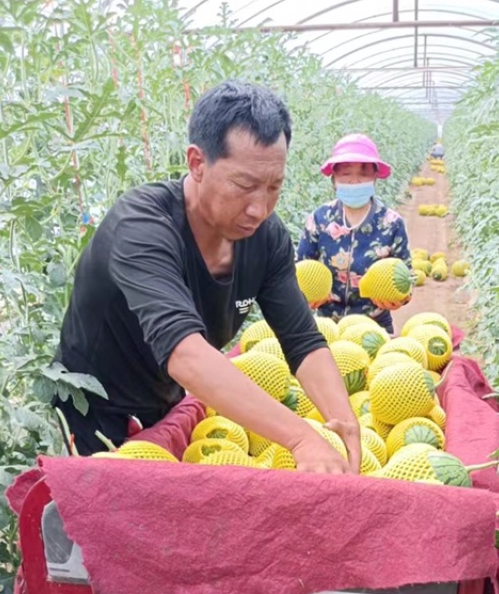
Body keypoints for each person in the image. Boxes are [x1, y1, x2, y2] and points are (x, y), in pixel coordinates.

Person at [53, 81, 359, 474]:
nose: (259, 208)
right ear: (197, 163)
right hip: (96, 411)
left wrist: (342, 420)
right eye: (244, 185)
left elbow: (301, 339)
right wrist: (300, 437)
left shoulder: (265, 239)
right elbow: (185, 354)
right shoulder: (141, 226)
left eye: (273, 187)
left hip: (168, 404)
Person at [296, 134, 411, 334]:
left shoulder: (391, 223)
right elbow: (300, 269)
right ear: (334, 178)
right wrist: (305, 296)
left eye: (364, 173)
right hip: (325, 328)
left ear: (375, 176)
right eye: (346, 173)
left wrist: (400, 298)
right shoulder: (319, 219)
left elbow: (406, 275)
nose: (354, 180)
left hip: (374, 330)